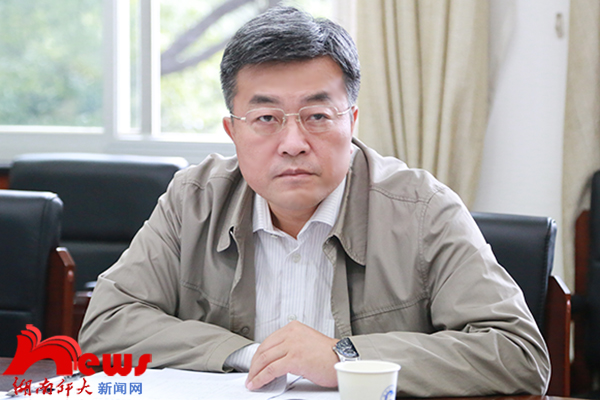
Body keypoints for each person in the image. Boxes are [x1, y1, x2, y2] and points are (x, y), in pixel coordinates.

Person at [79, 6, 550, 397]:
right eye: (266, 118)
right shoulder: (193, 200)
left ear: (352, 122)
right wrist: (249, 355)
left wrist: (345, 357)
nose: (293, 143)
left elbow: (518, 353)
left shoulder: (423, 210)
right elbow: (107, 325)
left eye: (317, 115)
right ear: (233, 131)